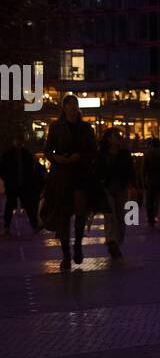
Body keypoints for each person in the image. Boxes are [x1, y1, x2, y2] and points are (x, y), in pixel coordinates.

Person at [43, 95, 97, 271]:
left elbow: (92, 150)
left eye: (75, 105)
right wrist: (56, 157)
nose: (73, 108)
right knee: (63, 215)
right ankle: (66, 254)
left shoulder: (86, 128)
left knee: (80, 212)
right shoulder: (56, 127)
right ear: (64, 107)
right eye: (69, 105)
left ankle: (78, 245)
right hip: (62, 173)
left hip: (80, 173)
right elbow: (47, 150)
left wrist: (80, 156)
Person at [96, 127, 137, 260]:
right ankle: (112, 241)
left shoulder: (124, 153)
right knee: (110, 215)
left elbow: (130, 170)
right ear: (108, 139)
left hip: (121, 188)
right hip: (107, 188)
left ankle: (117, 241)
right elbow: (97, 171)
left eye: (118, 136)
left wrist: (133, 186)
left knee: (120, 217)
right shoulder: (102, 154)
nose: (117, 138)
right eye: (114, 136)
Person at [0, 134, 41, 234]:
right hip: (14, 184)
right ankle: (8, 226)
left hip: (21, 184)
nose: (18, 143)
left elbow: (31, 169)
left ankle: (33, 225)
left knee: (25, 205)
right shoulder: (10, 154)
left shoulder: (24, 154)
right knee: (13, 206)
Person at [142, 135, 160, 229]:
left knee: (150, 201)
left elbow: (143, 169)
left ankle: (151, 220)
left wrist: (143, 180)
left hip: (151, 180)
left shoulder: (148, 154)